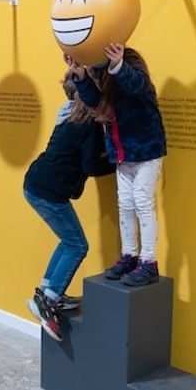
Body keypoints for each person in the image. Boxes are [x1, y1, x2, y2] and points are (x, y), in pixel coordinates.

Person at [25, 73, 115, 341]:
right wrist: (119, 161)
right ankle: (48, 301)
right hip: (49, 192)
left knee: (68, 241)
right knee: (77, 245)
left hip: (36, 184)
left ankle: (47, 291)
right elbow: (91, 166)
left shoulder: (66, 117)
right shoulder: (88, 126)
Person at [71, 43, 167, 287]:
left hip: (146, 152)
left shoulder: (131, 65)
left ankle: (149, 262)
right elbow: (96, 101)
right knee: (125, 204)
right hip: (124, 155)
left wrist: (119, 65)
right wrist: (81, 76)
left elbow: (138, 87)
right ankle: (130, 255)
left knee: (142, 202)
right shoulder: (103, 74)